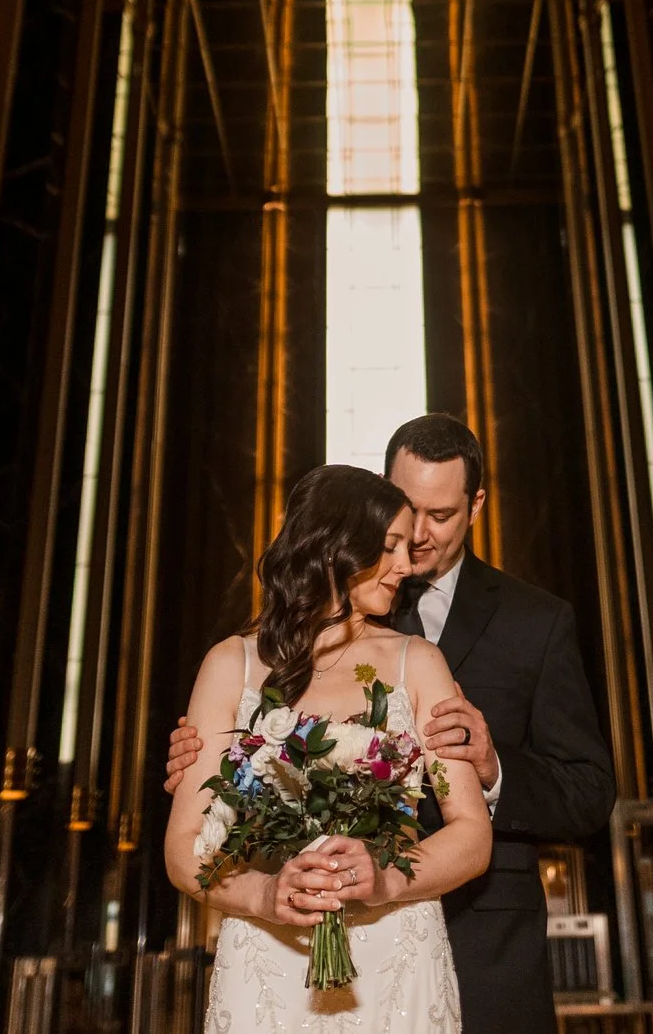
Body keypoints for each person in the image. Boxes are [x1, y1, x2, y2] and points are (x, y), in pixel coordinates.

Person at [169, 416, 615, 1034]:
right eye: (401, 525)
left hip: (467, 938)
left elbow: (584, 791)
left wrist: (493, 770)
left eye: (439, 516)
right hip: (277, 947)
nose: (414, 549)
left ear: (476, 505)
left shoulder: (530, 624)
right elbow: (198, 831)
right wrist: (226, 774)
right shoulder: (237, 658)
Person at [163, 464, 493, 1034]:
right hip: (267, 962)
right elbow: (183, 849)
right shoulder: (230, 666)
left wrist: (388, 877)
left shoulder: (419, 663)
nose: (406, 566)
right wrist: (267, 894)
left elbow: (470, 833)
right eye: (389, 547)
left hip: (397, 962)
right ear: (336, 548)